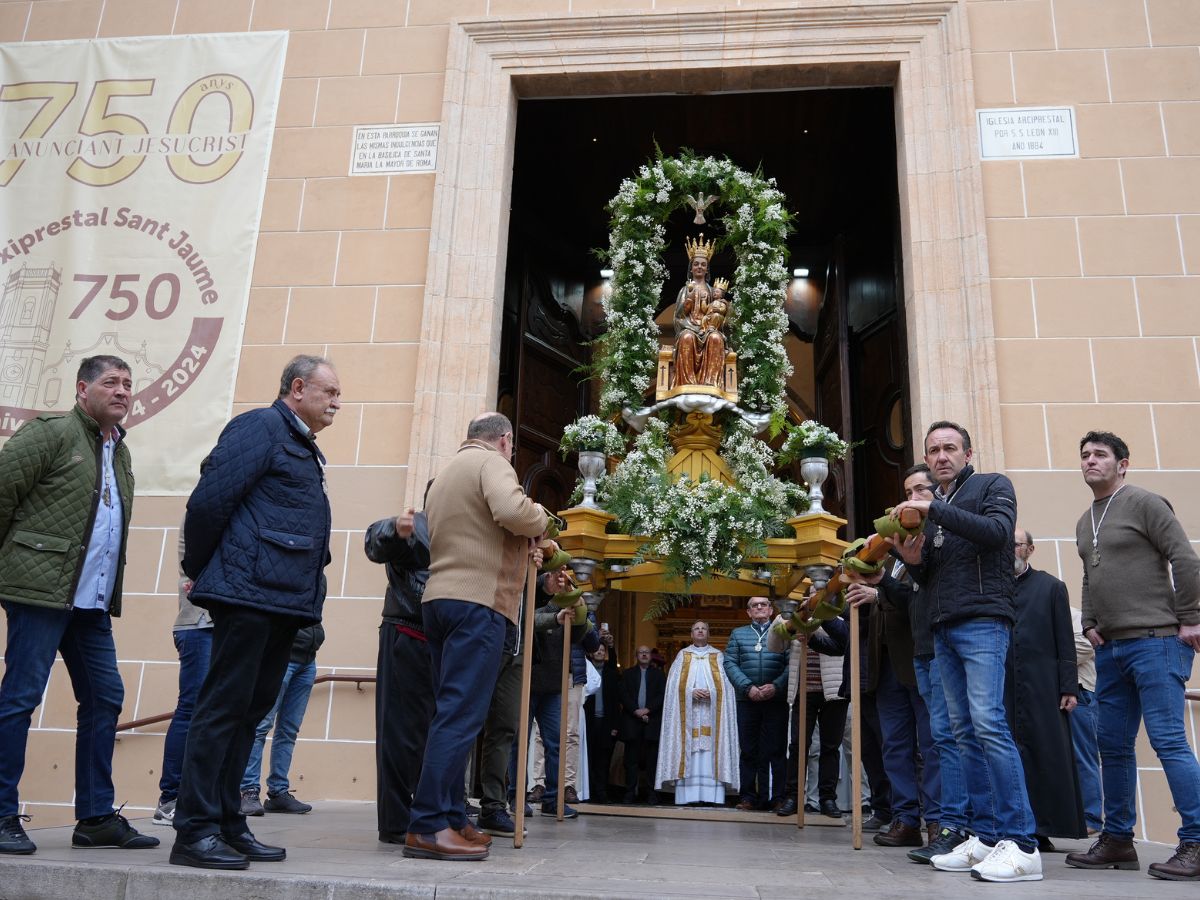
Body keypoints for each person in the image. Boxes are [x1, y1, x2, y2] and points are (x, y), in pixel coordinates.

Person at [171, 354, 340, 870]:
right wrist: (203, 570)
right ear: (296, 388)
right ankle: (194, 830)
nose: (337, 402)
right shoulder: (261, 426)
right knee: (222, 710)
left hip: (280, 600)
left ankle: (228, 823)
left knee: (249, 713)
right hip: (247, 595)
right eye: (329, 392)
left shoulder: (301, 445)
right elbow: (208, 504)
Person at [0, 356, 158, 855]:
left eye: (128, 384)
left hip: (88, 603)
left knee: (106, 696)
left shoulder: (120, 452)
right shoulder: (50, 434)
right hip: (40, 593)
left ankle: (94, 817)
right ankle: (2, 813)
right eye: (110, 382)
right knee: (21, 697)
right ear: (81, 388)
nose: (122, 391)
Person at [891, 420, 1040, 882]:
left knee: (989, 723)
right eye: (933, 449)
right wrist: (914, 564)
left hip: (982, 620)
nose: (940, 456)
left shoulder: (992, 486)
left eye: (949, 448)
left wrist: (934, 508)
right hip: (942, 626)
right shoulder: (943, 503)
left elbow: (997, 533)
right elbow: (930, 577)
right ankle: (985, 835)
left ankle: (1022, 843)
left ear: (968, 453)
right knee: (961, 733)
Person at [403, 412, 549, 861]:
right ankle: (427, 825)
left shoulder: (447, 473)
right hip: (478, 602)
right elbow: (512, 511)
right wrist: (542, 519)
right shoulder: (492, 463)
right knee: (461, 716)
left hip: (439, 600)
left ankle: (449, 815)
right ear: (505, 440)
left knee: (451, 711)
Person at [1065, 431, 1200, 881]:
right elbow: (1089, 573)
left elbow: (1184, 558)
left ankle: (1196, 841)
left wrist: (1190, 618)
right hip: (1112, 649)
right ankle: (1118, 839)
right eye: (1085, 456)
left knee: (1168, 742)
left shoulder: (1145, 502)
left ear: (1123, 464)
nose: (1090, 461)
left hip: (1157, 642)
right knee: (1113, 746)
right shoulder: (1086, 520)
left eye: (1100, 455)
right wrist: (1087, 622)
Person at [845, 479, 941, 849]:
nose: (911, 499)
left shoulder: (934, 543)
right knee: (894, 745)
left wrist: (881, 588)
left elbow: (921, 597)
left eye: (920, 492)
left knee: (932, 744)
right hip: (885, 661)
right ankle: (904, 818)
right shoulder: (891, 549)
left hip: (920, 656)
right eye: (907, 492)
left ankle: (935, 820)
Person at [1007, 527, 1084, 849]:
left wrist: (1069, 687)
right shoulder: (991, 588)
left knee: (1044, 754)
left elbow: (1066, 642)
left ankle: (1042, 828)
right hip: (1005, 682)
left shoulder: (1051, 587)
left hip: (1042, 683)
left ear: (1030, 550)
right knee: (1009, 753)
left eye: (1016, 545)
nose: (1010, 550)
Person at [364, 502, 432, 843]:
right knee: (398, 736)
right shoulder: (419, 523)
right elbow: (376, 540)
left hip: (437, 643)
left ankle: (426, 815)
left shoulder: (460, 532)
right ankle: (395, 823)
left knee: (428, 735)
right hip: (406, 634)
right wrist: (394, 527)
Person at [509, 569, 595, 820]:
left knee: (556, 743)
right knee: (519, 741)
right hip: (528, 680)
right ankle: (516, 796)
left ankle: (553, 799)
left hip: (553, 684)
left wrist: (580, 615)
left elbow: (585, 639)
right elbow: (529, 620)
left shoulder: (569, 600)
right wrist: (557, 615)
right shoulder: (535, 597)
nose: (562, 583)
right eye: (558, 579)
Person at [154, 518, 212, 826]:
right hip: (199, 623)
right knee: (191, 709)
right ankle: (170, 799)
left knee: (213, 712)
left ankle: (200, 796)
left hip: (218, 624)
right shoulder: (203, 506)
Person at [239, 624, 324, 815]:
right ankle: (249, 791)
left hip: (307, 660)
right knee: (261, 726)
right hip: (280, 656)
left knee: (289, 730)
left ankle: (278, 792)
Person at [655, 621, 739, 805]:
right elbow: (672, 687)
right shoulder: (683, 656)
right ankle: (688, 797)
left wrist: (715, 693)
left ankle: (713, 797)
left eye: (704, 629)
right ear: (691, 634)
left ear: (709, 633)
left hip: (711, 713)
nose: (700, 631)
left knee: (709, 752)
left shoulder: (718, 656)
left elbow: (728, 686)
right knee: (691, 751)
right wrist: (689, 693)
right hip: (689, 714)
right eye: (696, 629)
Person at [779, 614, 847, 819]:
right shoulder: (794, 619)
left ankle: (827, 798)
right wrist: (788, 620)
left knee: (830, 747)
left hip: (834, 691)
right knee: (798, 745)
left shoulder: (838, 620)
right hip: (804, 690)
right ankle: (793, 796)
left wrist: (813, 631)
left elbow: (842, 643)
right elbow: (775, 644)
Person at [724, 597, 789, 811]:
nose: (759, 607)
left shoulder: (783, 630)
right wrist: (747, 687)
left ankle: (778, 797)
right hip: (747, 700)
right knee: (749, 750)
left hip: (776, 700)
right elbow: (730, 663)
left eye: (764, 604)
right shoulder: (738, 634)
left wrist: (776, 686)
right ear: (748, 612)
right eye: (754, 605)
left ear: (771, 610)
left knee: (777, 750)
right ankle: (748, 797)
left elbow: (791, 662)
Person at [672, 234, 728, 389]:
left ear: (707, 269)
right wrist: (689, 299)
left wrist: (720, 309)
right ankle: (687, 382)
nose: (699, 267)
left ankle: (711, 382)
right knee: (687, 338)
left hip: (707, 328)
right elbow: (678, 316)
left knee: (716, 338)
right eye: (696, 264)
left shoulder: (713, 291)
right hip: (689, 326)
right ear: (691, 268)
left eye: (703, 265)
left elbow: (720, 313)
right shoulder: (685, 289)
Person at [1068, 604, 1102, 835]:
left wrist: (1047, 655)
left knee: (1083, 754)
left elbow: (1086, 645)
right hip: (1056, 692)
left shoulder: (1069, 613)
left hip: (1080, 689)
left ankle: (1091, 818)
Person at [619, 645, 666, 803]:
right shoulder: (627, 674)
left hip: (652, 722)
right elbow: (623, 695)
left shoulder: (659, 675)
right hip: (632, 722)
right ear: (636, 656)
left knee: (652, 761)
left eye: (647, 652)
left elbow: (662, 695)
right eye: (641, 652)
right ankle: (630, 792)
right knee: (631, 761)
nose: (644, 654)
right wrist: (636, 711)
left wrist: (648, 710)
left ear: (650, 656)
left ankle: (652, 793)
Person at [584, 642, 620, 804]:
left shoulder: (611, 674)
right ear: (590, 653)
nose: (599, 652)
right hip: (589, 722)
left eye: (602, 650)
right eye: (596, 650)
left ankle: (602, 792)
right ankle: (588, 791)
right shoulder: (585, 671)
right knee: (588, 758)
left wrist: (615, 726)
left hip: (606, 723)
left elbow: (615, 702)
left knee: (603, 761)